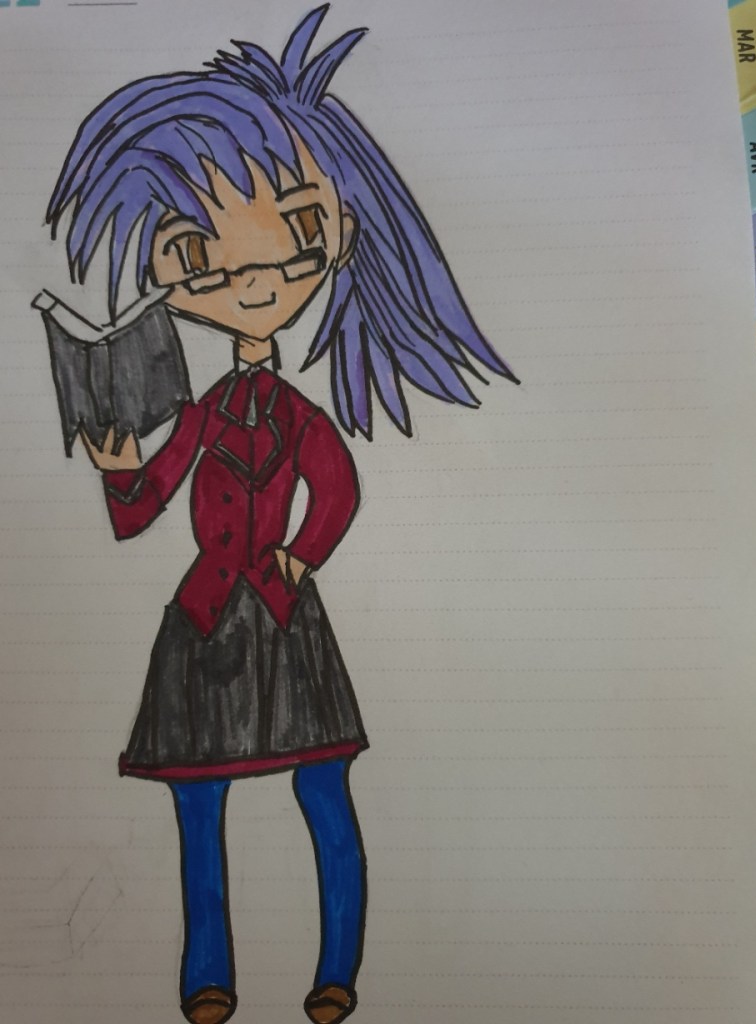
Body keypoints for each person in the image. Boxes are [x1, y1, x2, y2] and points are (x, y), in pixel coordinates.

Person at [41, 7, 519, 1023]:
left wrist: (301, 557)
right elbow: (143, 505)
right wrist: (119, 471)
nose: (254, 279)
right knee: (197, 804)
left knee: (323, 792)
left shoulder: (298, 415)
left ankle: (338, 972)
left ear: (338, 232)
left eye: (298, 231)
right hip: (205, 620)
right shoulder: (199, 413)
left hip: (285, 613)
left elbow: (337, 488)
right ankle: (205, 978)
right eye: (194, 251)